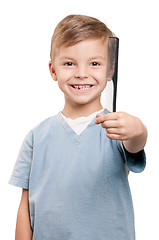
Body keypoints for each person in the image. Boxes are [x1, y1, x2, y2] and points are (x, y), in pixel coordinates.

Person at [9, 14, 147, 240]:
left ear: (110, 70)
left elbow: (136, 142)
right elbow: (25, 206)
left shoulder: (116, 128)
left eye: (94, 63)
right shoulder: (36, 137)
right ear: (53, 70)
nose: (82, 73)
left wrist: (139, 129)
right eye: (69, 63)